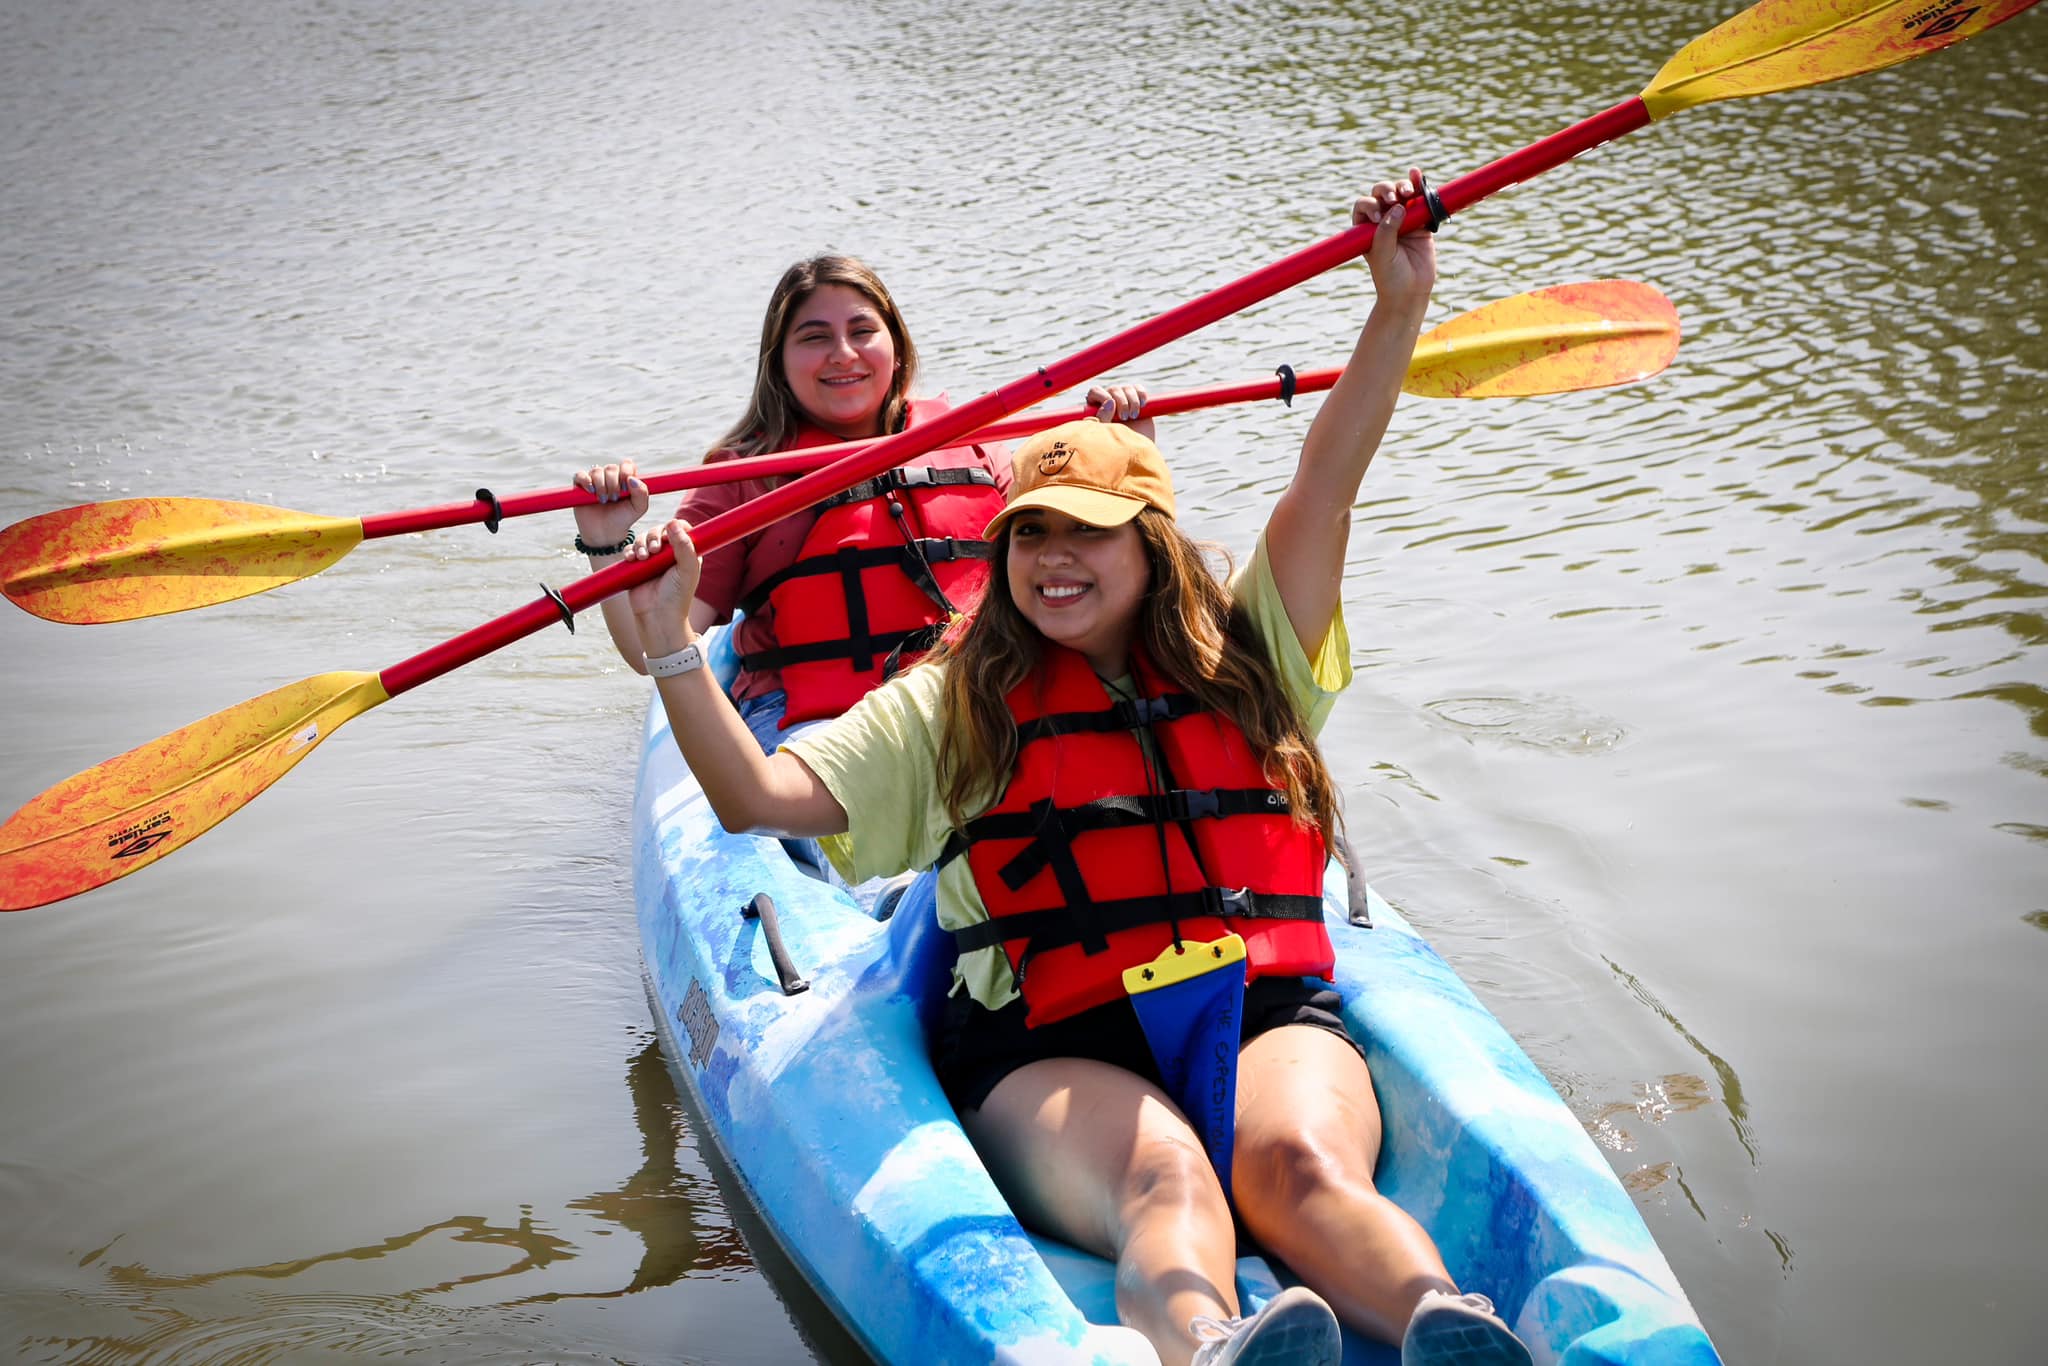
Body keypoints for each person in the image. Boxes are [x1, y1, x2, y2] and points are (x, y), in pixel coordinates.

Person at [613, 177, 1533, 1366]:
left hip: (1257, 1004)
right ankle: (1212, 1345)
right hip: (1049, 1036)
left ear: (1149, 541)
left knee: (1295, 1164)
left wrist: (1396, 302)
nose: (1055, 559)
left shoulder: (1253, 656)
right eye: (1030, 533)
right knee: (1165, 1179)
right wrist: (679, 653)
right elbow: (756, 801)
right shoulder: (959, 700)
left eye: (1088, 531)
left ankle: (1446, 1327)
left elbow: (1327, 477)